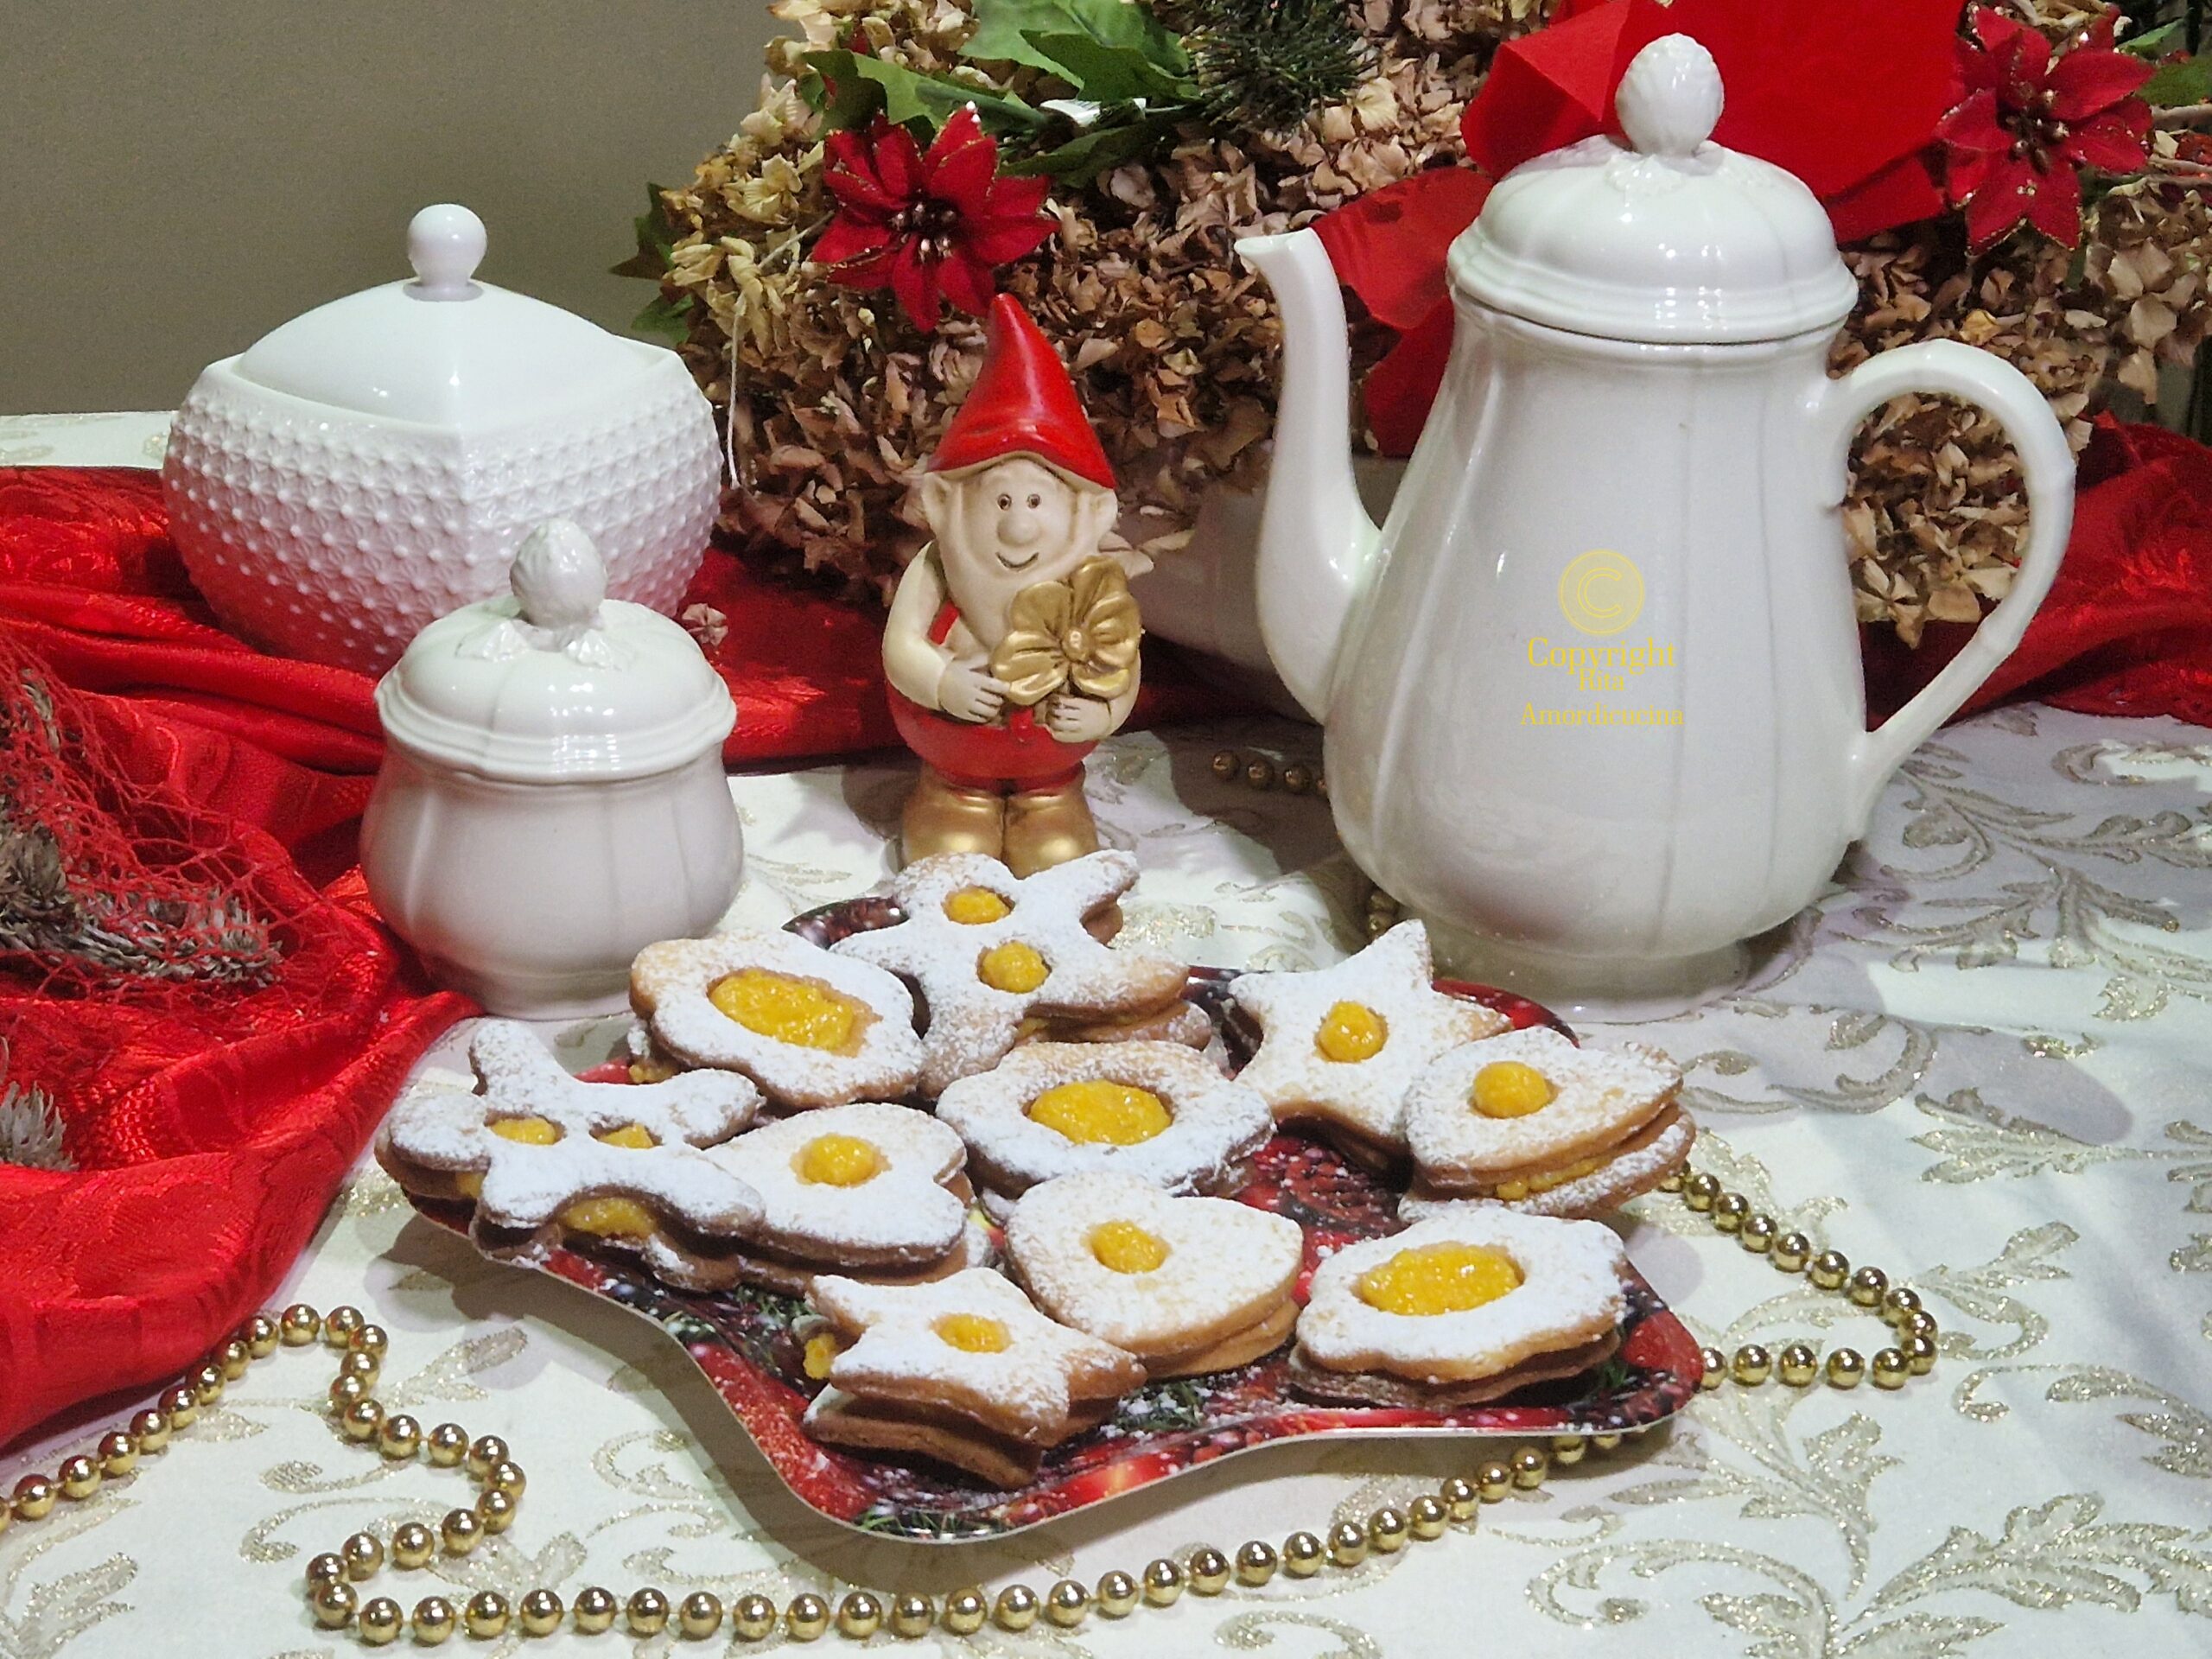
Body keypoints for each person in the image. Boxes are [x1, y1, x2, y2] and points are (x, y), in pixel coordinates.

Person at [881, 296, 1142, 873]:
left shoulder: (1092, 584)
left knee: (1057, 856)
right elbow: (901, 647)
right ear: (947, 503)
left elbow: (1122, 661)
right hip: (955, 760)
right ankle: (955, 801)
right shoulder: (936, 567)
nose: (1018, 525)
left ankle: (1047, 805)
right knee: (953, 857)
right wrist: (943, 681)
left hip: (1051, 768)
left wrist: (1101, 716)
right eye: (1000, 500)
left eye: (1035, 501)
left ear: (1087, 513)